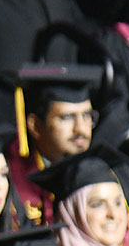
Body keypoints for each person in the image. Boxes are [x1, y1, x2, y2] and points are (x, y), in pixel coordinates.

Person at [7, 66, 101, 224]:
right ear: (35, 126)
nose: (81, 128)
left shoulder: (108, 171)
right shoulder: (11, 179)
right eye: (67, 117)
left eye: (87, 115)